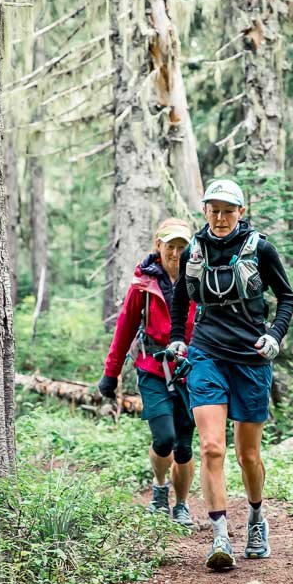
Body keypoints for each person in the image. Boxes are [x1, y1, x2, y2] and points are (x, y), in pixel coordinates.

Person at [167, 179, 293, 571]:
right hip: (206, 355)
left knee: (248, 454)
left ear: (241, 212)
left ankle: (257, 519)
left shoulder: (261, 248)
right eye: (213, 210)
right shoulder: (194, 251)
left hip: (251, 358)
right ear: (204, 211)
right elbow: (181, 298)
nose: (220, 218)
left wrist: (274, 335)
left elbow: (287, 296)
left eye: (228, 210)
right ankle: (220, 535)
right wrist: (177, 338)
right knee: (210, 448)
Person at [97, 218, 198, 527]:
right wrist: (111, 374)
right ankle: (159, 488)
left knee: (184, 446)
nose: (176, 253)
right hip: (153, 368)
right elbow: (125, 328)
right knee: (164, 438)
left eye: (183, 246)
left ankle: (181, 505)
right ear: (158, 245)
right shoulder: (142, 284)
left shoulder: (199, 280)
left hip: (190, 370)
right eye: (171, 246)